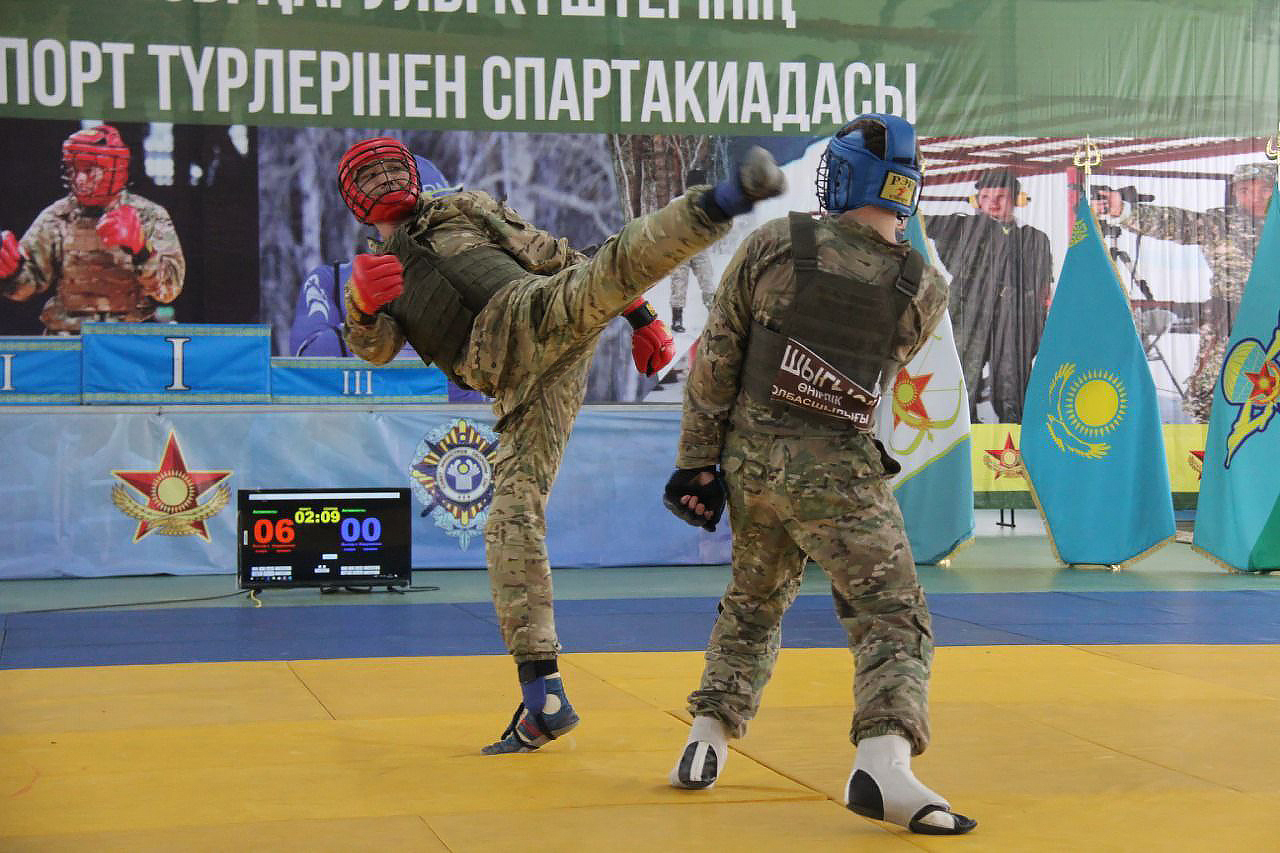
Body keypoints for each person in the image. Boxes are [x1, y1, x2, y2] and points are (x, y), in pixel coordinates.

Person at [335, 135, 785, 754]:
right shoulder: (373, 270)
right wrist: (361, 307)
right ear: (356, 205)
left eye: (391, 165)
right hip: (515, 383)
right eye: (370, 174)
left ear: (412, 170)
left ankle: (725, 199)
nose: (385, 178)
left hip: (526, 313)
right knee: (510, 519)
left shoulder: (462, 208)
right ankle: (542, 696)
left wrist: (642, 318)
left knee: (603, 273)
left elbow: (556, 253)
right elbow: (377, 349)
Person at [661, 114, 976, 836]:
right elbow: (874, 379)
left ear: (842, 175)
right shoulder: (924, 287)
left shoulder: (777, 241)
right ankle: (883, 763)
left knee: (752, 602)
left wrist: (695, 464)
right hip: (836, 472)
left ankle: (705, 738)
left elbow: (715, 363)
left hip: (751, 466)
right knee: (891, 614)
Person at [1094, 161, 1276, 422]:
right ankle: (1208, 452)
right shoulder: (1221, 223)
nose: (1255, 197)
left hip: (1274, 323)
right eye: (1245, 190)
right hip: (1230, 322)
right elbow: (1178, 223)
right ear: (1235, 193)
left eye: (1265, 190)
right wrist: (1124, 210)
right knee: (1207, 394)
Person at [0, 125, 185, 334]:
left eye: (88, 170)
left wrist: (143, 251)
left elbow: (169, 291)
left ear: (114, 171)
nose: (79, 179)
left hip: (128, 340)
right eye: (74, 169)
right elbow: (27, 286)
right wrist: (11, 273)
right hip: (68, 337)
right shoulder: (57, 216)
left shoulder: (148, 215)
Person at [928, 168, 1053, 423]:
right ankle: (965, 432)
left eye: (1001, 196)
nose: (993, 203)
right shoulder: (964, 228)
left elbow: (1043, 289)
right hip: (970, 312)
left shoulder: (1035, 239)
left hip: (1016, 317)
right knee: (964, 375)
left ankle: (1013, 435)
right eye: (985, 196)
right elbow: (918, 223)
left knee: (1012, 380)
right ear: (977, 200)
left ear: (1017, 199)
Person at [668, 168, 718, 333]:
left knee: (708, 282)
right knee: (679, 284)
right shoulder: (677, 203)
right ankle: (676, 319)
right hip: (680, 249)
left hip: (699, 249)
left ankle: (715, 318)